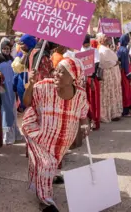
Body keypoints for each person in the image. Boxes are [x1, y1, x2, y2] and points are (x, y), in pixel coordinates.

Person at [22, 57, 90, 212]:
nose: (56, 74)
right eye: (56, 70)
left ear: (73, 77)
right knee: (46, 164)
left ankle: (41, 181)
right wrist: (31, 85)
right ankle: (45, 201)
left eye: (62, 72)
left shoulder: (80, 94)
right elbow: (26, 102)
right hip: (38, 132)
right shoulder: (44, 86)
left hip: (64, 138)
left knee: (48, 163)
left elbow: (83, 112)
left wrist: (85, 125)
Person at [0, 40, 22, 145]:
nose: (6, 51)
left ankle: (14, 135)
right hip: (3, 88)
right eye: (4, 49)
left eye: (8, 49)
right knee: (5, 110)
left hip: (11, 89)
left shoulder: (11, 59)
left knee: (12, 109)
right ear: (1, 49)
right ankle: (6, 136)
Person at [97, 33, 123, 122]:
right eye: (105, 37)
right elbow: (104, 63)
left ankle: (114, 112)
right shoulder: (101, 50)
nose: (107, 38)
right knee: (108, 94)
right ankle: (109, 113)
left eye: (107, 37)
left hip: (112, 74)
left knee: (113, 93)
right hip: (108, 74)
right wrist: (115, 63)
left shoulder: (106, 48)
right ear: (100, 40)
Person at [12, 34, 37, 111]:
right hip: (22, 81)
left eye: (22, 44)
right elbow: (16, 68)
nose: (20, 46)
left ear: (28, 44)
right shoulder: (21, 53)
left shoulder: (37, 54)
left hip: (33, 82)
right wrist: (25, 56)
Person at [81, 34, 101, 130]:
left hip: (91, 78)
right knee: (84, 101)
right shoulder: (79, 51)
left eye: (86, 43)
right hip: (82, 79)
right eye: (83, 43)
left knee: (94, 100)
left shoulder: (94, 51)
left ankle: (95, 121)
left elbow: (96, 63)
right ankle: (87, 122)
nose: (85, 45)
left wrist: (92, 77)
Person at [117, 33, 131, 117]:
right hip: (124, 73)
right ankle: (125, 111)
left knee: (123, 92)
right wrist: (129, 76)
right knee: (126, 92)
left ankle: (124, 110)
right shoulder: (125, 50)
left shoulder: (119, 49)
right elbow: (126, 64)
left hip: (120, 72)